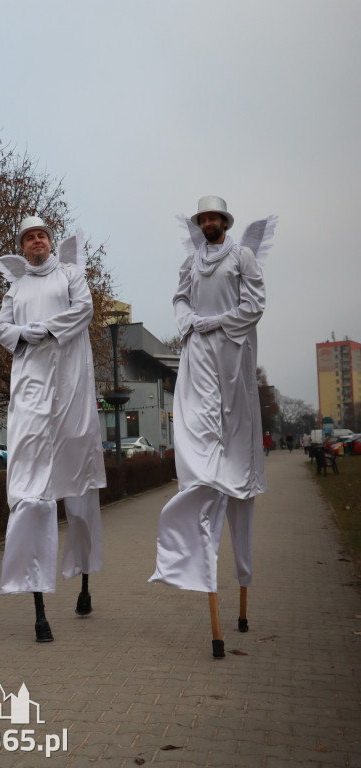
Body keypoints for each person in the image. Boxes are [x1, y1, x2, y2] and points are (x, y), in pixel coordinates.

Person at [149, 195, 277, 658]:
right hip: (199, 353)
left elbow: (254, 303)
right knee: (199, 427)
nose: (207, 223)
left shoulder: (241, 257)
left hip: (233, 355)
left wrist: (219, 322)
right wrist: (190, 323)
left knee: (234, 436)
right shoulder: (192, 261)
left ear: (224, 221)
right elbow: (180, 298)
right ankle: (201, 480)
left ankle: (241, 583)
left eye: (213, 217)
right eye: (202, 218)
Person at [0, 216, 106, 643]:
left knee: (79, 491)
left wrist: (50, 329)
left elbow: (84, 310)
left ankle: (84, 579)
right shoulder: (16, 287)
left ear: (50, 241)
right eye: (28, 237)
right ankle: (37, 603)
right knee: (30, 493)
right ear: (22, 247)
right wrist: (26, 333)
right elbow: (1, 327)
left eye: (41, 235)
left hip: (71, 392)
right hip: (31, 394)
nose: (36, 241)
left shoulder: (71, 275)